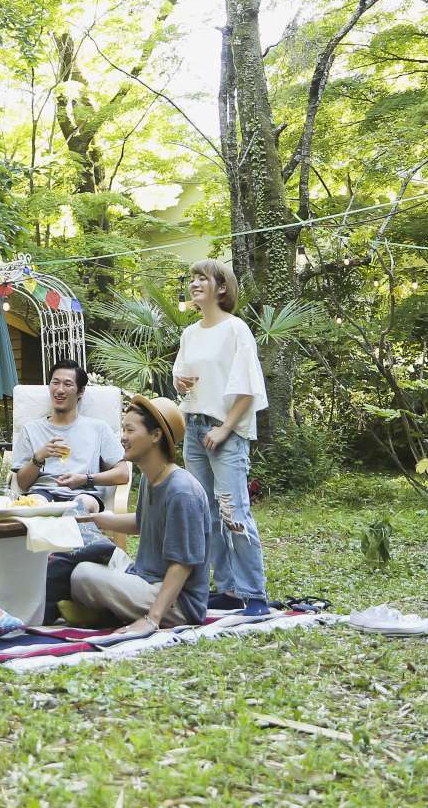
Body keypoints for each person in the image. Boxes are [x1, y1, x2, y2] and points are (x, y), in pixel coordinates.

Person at [171, 258, 274, 617]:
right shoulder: (189, 333)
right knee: (205, 513)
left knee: (234, 513)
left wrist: (226, 428)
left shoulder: (236, 330)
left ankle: (254, 594)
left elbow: (248, 387)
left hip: (225, 431)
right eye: (192, 278)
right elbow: (182, 376)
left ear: (222, 287)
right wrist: (178, 382)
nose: (195, 283)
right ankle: (227, 590)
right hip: (194, 428)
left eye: (203, 278)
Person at [67, 394, 215, 634]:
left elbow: (183, 564)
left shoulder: (182, 492)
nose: (122, 438)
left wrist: (152, 619)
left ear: (155, 436)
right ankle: (108, 610)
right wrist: (101, 521)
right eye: (122, 430)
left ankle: (110, 612)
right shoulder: (150, 478)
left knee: (83, 575)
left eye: (129, 430)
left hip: (178, 601)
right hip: (144, 576)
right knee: (96, 552)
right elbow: (143, 522)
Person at [11, 358, 129, 510]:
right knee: (36, 505)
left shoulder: (98, 428)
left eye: (67, 384)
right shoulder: (31, 429)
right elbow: (22, 483)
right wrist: (38, 457)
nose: (60, 390)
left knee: (81, 506)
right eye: (55, 382)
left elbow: (123, 473)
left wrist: (85, 479)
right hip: (42, 492)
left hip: (84, 493)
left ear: (80, 391)